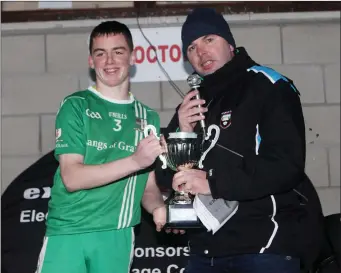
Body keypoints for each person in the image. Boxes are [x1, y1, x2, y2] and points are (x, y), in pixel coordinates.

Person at [155, 7, 325, 273]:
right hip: (204, 251)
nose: (200, 53)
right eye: (191, 47)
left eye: (208, 39)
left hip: (263, 248)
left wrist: (211, 181)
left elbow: (286, 167)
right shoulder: (192, 103)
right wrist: (183, 129)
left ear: (229, 43)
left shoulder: (268, 85)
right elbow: (164, 177)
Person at [35, 20, 166, 273]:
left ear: (133, 57)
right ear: (90, 61)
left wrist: (158, 206)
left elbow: (147, 185)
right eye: (100, 53)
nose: (110, 61)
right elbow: (72, 177)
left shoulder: (148, 117)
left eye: (118, 52)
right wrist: (134, 161)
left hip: (118, 234)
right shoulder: (75, 106)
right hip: (69, 230)